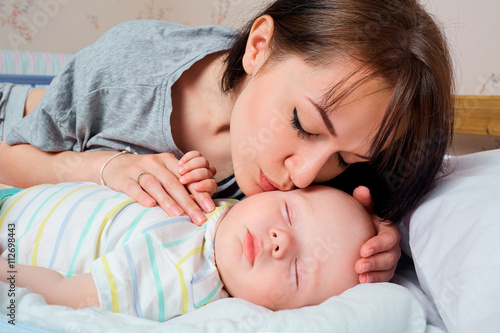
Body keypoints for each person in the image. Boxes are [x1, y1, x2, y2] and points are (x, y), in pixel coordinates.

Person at [0, 0, 455, 284]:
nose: (302, 175)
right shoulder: (125, 77)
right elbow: (9, 158)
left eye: (342, 157)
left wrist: (380, 240)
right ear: (258, 47)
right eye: (304, 124)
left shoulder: (344, 170)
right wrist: (103, 168)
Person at [0, 182, 375, 321]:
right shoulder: (222, 210)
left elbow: (67, 294)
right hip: (17, 197)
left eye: (297, 272)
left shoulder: (183, 278)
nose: (281, 240)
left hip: (13, 239)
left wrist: (6, 272)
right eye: (288, 212)